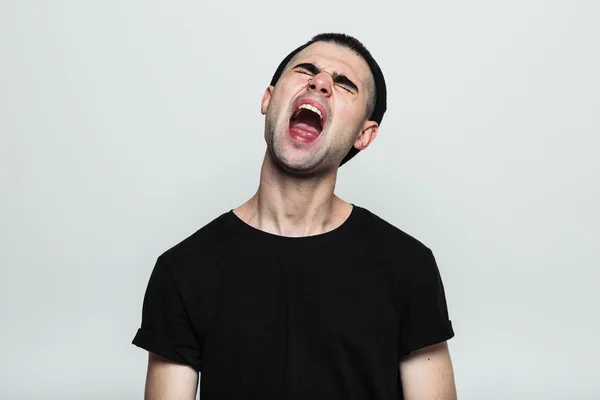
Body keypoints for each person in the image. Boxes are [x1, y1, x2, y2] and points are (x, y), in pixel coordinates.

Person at [132, 32, 457, 399]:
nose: (319, 83)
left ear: (364, 135)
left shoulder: (408, 267)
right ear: (268, 99)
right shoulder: (183, 271)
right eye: (306, 70)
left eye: (344, 84)